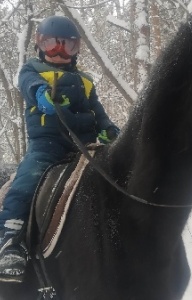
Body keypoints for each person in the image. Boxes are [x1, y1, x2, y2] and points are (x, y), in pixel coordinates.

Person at [0, 15, 120, 282]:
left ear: (76, 48)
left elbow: (97, 110)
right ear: (40, 45)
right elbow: (29, 86)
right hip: (48, 144)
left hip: (85, 145)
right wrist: (41, 94)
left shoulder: (85, 80)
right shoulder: (32, 70)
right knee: (28, 178)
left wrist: (108, 129)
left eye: (67, 45)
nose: (59, 51)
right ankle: (11, 239)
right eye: (52, 44)